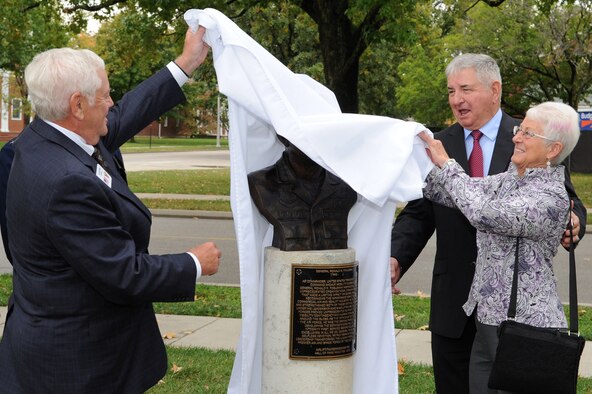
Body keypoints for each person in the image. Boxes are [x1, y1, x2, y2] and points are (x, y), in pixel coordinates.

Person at [0, 27, 222, 393]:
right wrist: (193, 263)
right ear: (77, 105)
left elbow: (127, 114)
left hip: (54, 343)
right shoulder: (66, 182)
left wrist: (186, 63)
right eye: (105, 95)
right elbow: (124, 273)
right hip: (75, 365)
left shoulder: (45, 137)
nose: (113, 102)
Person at [390, 53, 587, 393]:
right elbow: (434, 196)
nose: (456, 99)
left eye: (465, 89)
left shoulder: (544, 183)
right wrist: (398, 159)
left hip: (523, 324)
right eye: (451, 91)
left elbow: (483, 210)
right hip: (466, 310)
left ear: (494, 90)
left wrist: (445, 165)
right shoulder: (511, 174)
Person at [247, 137, 357, 251]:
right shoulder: (261, 183)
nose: (314, 140)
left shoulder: (346, 187)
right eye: (304, 132)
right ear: (284, 137)